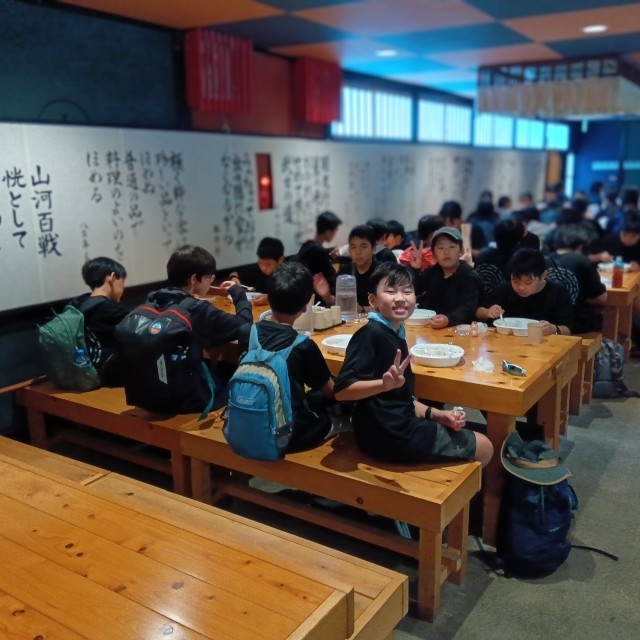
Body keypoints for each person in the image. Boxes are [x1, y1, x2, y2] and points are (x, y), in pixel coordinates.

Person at [334, 262, 493, 467]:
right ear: (373, 300)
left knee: (471, 439)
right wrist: (383, 385)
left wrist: (437, 414)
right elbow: (342, 391)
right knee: (485, 447)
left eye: (407, 291)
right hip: (388, 435)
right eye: (391, 291)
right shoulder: (371, 334)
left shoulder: (394, 330)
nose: (400, 298)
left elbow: (400, 398)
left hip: (390, 427)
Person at [238, 262, 340, 452]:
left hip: (244, 424)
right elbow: (331, 392)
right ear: (305, 306)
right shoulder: (302, 345)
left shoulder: (247, 332)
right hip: (286, 436)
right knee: (335, 412)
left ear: (269, 298)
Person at [143, 245, 253, 411]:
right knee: (234, 379)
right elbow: (243, 324)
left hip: (152, 390)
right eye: (209, 277)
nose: (211, 281)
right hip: (186, 398)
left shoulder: (153, 299)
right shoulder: (198, 310)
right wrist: (239, 294)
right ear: (194, 279)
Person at [476, 248, 574, 336]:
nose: (521, 287)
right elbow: (478, 312)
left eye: (528, 283)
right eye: (515, 281)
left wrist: (554, 329)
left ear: (543, 275)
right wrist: (487, 312)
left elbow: (568, 329)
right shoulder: (504, 289)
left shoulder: (558, 292)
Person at [69, 256, 129, 386]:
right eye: (122, 282)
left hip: (81, 369)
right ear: (112, 277)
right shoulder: (110, 309)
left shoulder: (77, 304)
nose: (123, 288)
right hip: (106, 374)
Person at [409, 227, 483, 329]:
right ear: (433, 254)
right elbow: (414, 290)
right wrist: (415, 268)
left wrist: (448, 319)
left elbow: (467, 309)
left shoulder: (469, 276)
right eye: (441, 248)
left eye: (452, 247)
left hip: (460, 330)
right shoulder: (433, 271)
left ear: (461, 250)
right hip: (430, 327)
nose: (446, 252)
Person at [547, 226, 607, 334]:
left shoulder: (544, 259)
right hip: (579, 326)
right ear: (580, 245)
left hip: (548, 325)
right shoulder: (582, 260)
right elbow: (602, 298)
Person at [314, 224, 378, 314]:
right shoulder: (345, 271)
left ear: (373, 249)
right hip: (349, 321)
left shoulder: (381, 272)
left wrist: (362, 310)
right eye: (353, 247)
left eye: (363, 246)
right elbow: (338, 304)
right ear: (349, 250)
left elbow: (387, 305)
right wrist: (326, 295)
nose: (358, 252)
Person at [228, 236, 285, 305]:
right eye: (260, 263)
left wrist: (270, 299)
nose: (263, 268)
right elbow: (235, 273)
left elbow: (291, 297)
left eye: (268, 265)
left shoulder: (287, 274)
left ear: (280, 260)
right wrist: (234, 278)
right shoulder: (256, 269)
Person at [296, 211, 343, 291]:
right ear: (328, 232)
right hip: (316, 294)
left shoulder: (306, 245)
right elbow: (334, 278)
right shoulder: (319, 251)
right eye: (335, 231)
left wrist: (330, 257)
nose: (335, 234)